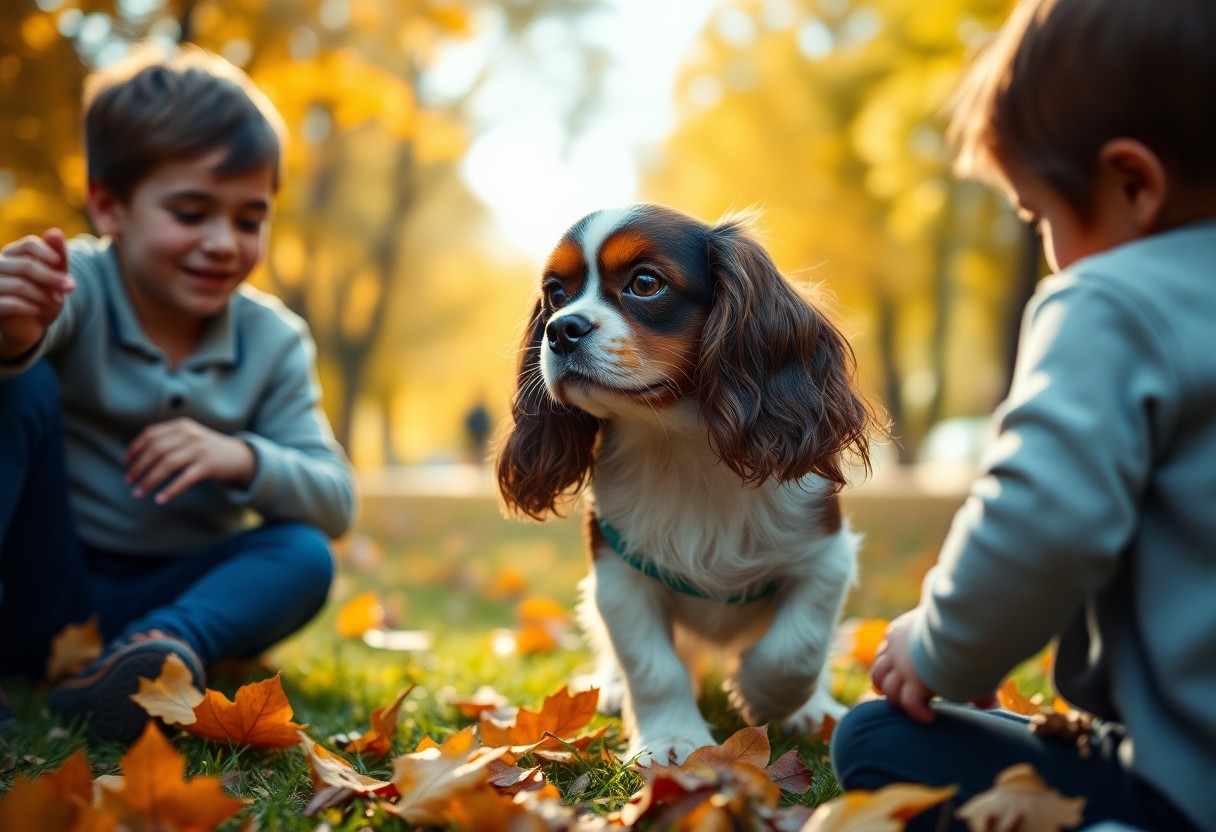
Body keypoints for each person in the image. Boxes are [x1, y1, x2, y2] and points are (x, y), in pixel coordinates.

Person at [830, 1, 1216, 830]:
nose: (1044, 242)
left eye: (1038, 215)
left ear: (1133, 184)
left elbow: (1045, 518)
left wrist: (940, 645)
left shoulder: (1113, 300)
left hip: (1186, 782)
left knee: (875, 738)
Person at [0, 44, 356, 742]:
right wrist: (13, 339)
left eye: (249, 220)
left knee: (304, 554)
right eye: (192, 213)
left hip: (171, 590)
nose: (223, 242)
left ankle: (146, 660)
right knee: (21, 384)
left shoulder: (272, 340)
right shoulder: (73, 282)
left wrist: (241, 459)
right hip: (41, 583)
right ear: (110, 205)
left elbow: (335, 498)